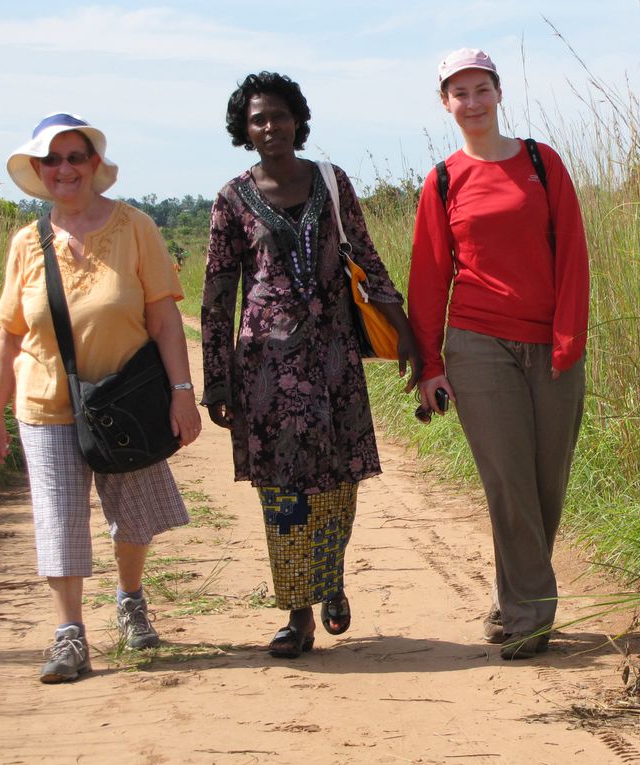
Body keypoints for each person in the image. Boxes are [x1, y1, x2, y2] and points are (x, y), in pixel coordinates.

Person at [201, 72, 421, 659]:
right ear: (243, 131)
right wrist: (216, 380)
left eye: (278, 114)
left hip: (334, 361)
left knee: (339, 480)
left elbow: (368, 262)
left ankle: (331, 575)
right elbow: (218, 295)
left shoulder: (332, 181)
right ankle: (297, 615)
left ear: (298, 119)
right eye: (257, 119)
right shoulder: (231, 199)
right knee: (283, 493)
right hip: (265, 373)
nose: (270, 126)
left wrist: (409, 338)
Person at [0, 113, 202, 683]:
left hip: (125, 401)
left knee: (133, 518)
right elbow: (10, 333)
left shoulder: (134, 227)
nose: (64, 169)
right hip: (44, 402)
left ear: (94, 165)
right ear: (38, 170)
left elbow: (164, 319)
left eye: (75, 157)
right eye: (52, 160)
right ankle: (70, 633)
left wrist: (182, 393)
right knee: (59, 520)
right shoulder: (26, 243)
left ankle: (130, 599)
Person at [408, 49, 590, 660]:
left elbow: (573, 255)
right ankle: (530, 618)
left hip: (551, 342)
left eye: (481, 88)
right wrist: (429, 363)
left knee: (545, 484)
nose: (472, 101)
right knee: (508, 482)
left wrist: (568, 339)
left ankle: (511, 598)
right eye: (459, 92)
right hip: (478, 342)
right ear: (445, 104)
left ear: (498, 92)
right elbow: (431, 276)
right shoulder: (442, 180)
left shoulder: (543, 162)